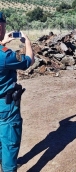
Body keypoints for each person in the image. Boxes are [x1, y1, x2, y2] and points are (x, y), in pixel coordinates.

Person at [0, 11, 34, 172]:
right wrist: (27, 42)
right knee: (9, 142)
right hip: (5, 106)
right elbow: (28, 61)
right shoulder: (5, 56)